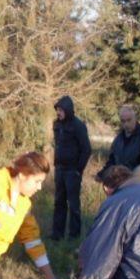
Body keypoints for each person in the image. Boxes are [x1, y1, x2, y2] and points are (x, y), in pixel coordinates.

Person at [52, 96, 92, 240]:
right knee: (59, 202)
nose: (58, 112)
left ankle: (74, 235)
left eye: (61, 110)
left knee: (73, 204)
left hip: (72, 171)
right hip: (60, 169)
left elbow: (86, 149)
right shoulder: (57, 125)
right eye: (57, 110)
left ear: (68, 110)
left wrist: (78, 170)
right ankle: (57, 234)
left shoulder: (78, 126)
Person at [96, 105, 140, 181]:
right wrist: (101, 174)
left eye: (129, 120)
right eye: (123, 121)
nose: (126, 124)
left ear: (135, 119)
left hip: (139, 182)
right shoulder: (118, 140)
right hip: (120, 182)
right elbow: (112, 161)